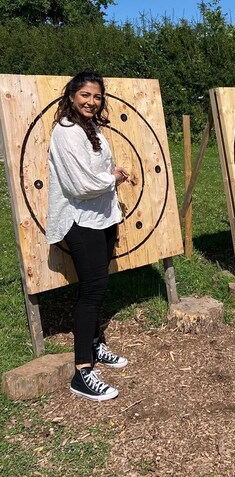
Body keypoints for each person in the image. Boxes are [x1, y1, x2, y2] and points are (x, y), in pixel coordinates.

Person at [46, 70, 130, 401]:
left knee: (99, 285)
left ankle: (95, 345)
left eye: (96, 97)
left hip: (102, 216)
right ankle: (82, 371)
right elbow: (79, 185)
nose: (91, 102)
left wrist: (110, 175)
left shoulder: (91, 127)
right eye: (85, 95)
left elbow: (97, 171)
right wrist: (111, 179)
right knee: (93, 290)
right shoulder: (65, 132)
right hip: (80, 219)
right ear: (71, 96)